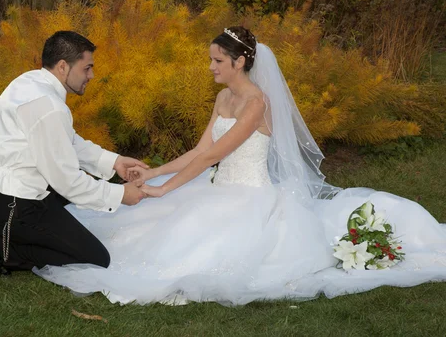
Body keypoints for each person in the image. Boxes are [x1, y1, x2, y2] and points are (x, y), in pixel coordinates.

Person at [34, 27, 446, 305]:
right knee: (146, 235)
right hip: (217, 189)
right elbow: (201, 149)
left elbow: (212, 156)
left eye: (217, 61)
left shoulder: (255, 103)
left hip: (249, 197)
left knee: (192, 247)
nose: (211, 67)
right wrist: (152, 172)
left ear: (240, 62)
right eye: (211, 59)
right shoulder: (223, 99)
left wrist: (161, 190)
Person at [0, 31, 147, 277]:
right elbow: (68, 181)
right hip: (11, 203)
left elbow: (67, 142)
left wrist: (114, 161)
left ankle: (12, 235)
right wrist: (119, 194)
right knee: (95, 258)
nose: (91, 75)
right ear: (63, 66)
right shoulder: (47, 105)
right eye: (87, 68)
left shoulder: (30, 82)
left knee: (74, 211)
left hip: (5, 192)